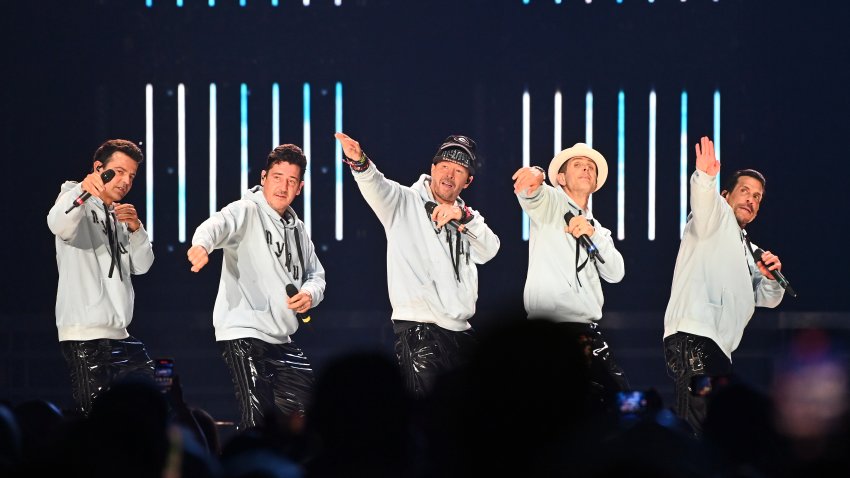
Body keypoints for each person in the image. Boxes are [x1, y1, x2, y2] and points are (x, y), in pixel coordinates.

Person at [334, 132, 500, 398]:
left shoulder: (467, 218)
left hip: (461, 331)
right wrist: (360, 162)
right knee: (429, 418)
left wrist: (463, 216)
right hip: (420, 330)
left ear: (468, 181)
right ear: (432, 169)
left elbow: (490, 249)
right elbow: (375, 184)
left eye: (458, 170)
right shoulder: (403, 201)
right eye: (444, 166)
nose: (449, 174)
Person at [187, 144, 325, 430]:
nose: (283, 186)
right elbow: (217, 224)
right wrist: (201, 245)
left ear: (300, 187)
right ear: (264, 177)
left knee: (308, 414)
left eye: (291, 180)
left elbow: (316, 274)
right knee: (258, 418)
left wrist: (310, 294)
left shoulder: (298, 229)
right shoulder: (246, 210)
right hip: (244, 331)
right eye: (277, 177)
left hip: (282, 337)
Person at [663, 136, 785, 435]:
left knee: (708, 428)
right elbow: (704, 202)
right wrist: (705, 177)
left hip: (717, 345)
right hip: (695, 336)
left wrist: (771, 278)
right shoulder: (715, 217)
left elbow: (767, 299)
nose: (751, 200)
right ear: (726, 195)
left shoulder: (749, 248)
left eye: (757, 197)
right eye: (745, 191)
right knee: (700, 425)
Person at [511, 142, 629, 403]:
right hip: (550, 331)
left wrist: (592, 233)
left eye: (591, 168)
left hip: (587, 332)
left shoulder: (599, 230)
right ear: (561, 178)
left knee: (616, 401)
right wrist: (536, 173)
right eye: (578, 165)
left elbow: (616, 272)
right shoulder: (551, 201)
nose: (586, 169)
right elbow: (530, 191)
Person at [46, 139, 155, 415]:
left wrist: (136, 229)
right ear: (99, 168)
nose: (125, 181)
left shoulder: (118, 215)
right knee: (97, 420)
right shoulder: (74, 198)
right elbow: (57, 223)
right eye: (118, 171)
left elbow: (142, 266)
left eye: (131, 175)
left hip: (120, 334)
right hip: (86, 335)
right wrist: (83, 190)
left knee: (153, 402)